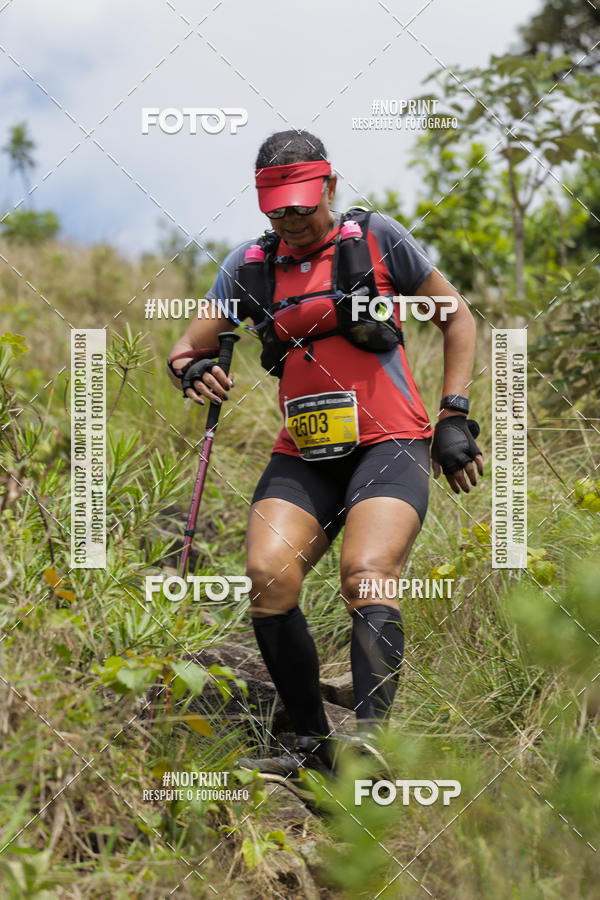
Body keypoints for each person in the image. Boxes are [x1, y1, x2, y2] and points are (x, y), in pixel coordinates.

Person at [167, 129, 483, 782]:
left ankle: (372, 744)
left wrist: (454, 413)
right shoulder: (248, 266)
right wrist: (194, 367)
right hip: (304, 454)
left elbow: (457, 317)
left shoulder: (376, 240)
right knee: (267, 575)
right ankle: (313, 744)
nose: (291, 220)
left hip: (391, 443)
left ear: (331, 188)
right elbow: (184, 348)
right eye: (277, 209)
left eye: (302, 206)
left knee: (367, 570)